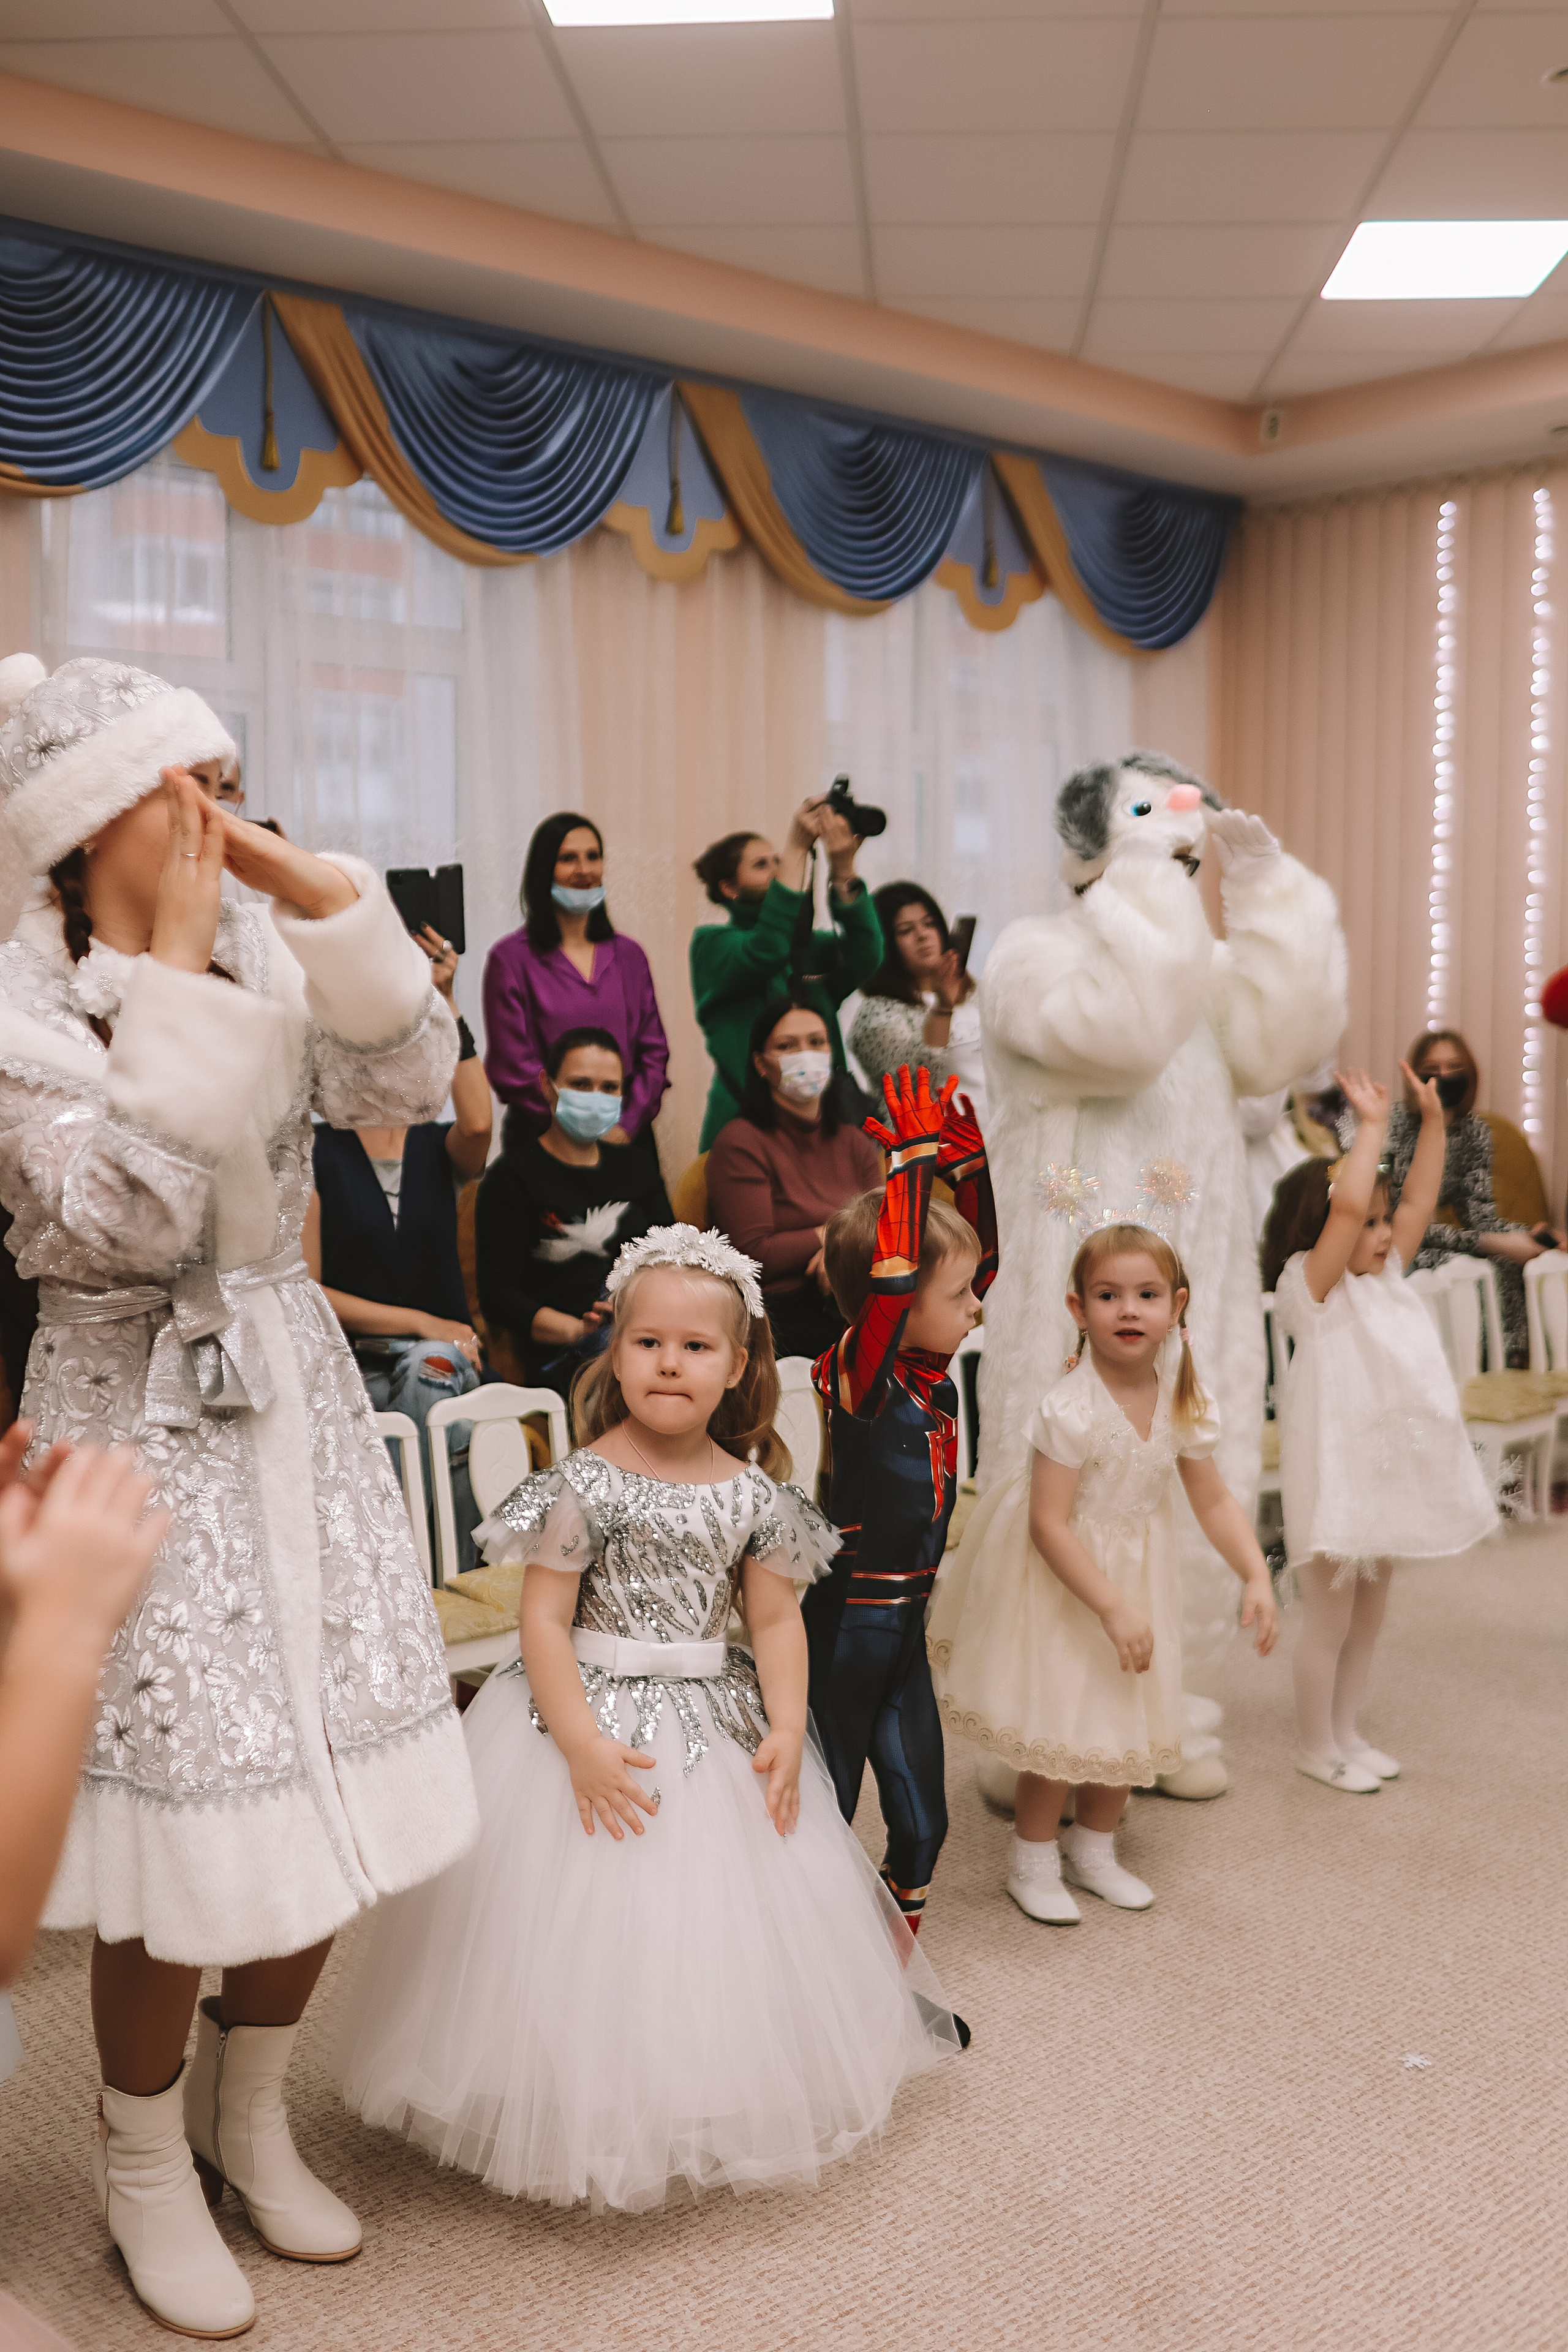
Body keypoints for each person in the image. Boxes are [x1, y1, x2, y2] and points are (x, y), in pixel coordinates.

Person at [0, 651, 477, 2340]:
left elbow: (413, 1085)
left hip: (290, 1401)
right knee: (184, 1832)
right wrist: (184, 976)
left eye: (230, 771)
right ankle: (141, 2173)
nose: (216, 805)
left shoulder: (271, 948)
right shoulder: (20, 1014)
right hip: (127, 1416)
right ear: (80, 825)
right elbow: (121, 1220)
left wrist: (306, 901)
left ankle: (245, 2115)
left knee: (335, 1786)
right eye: (176, 779)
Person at [333, 1223, 961, 2211]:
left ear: (738, 1363)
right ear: (614, 1351)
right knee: (568, 1922)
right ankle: (558, 2086)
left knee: (709, 1922)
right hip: (584, 1723)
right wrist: (580, 1742)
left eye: (696, 1347)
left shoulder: (757, 1493)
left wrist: (790, 1727)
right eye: (647, 1343)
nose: (670, 1363)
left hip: (715, 1721)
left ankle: (699, 2087)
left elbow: (775, 1620)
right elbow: (542, 1620)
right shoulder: (581, 1484)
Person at [930, 1223, 1277, 1922]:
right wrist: (1109, 1606)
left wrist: (1255, 1573)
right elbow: (1048, 1524)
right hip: (1064, 1581)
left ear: (1175, 1306)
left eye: (1146, 1295)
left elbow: (1211, 1497)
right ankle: (1031, 1863)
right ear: (1077, 1309)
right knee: (1060, 1721)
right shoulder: (1070, 1408)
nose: (1128, 1309)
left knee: (1124, 1716)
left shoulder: (1182, 1398)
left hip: (1139, 1577)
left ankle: (1094, 1851)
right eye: (1108, 1295)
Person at [1263, 1067, 1498, 1793]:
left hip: (1385, 1469)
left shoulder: (1386, 1272)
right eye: (1367, 1220)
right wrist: (1369, 1128)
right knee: (1329, 1621)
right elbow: (1347, 1210)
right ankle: (1313, 1745)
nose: (1379, 1230)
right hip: (1335, 1473)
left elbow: (1420, 1196)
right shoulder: (1312, 1284)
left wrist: (1430, 1126)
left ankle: (1345, 1733)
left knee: (1368, 1620)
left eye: (1380, 1221)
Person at [805, 1068, 995, 1941]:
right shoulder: (858, 1379)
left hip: (903, 1633)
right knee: (824, 1818)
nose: (977, 1310)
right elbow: (893, 1286)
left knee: (923, 1829)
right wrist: (910, 1166)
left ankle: (883, 1994)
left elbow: (969, 1264)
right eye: (957, 1300)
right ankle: (803, 1984)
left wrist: (971, 1167)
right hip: (842, 1632)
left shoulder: (930, 1381)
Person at [307, 924, 492, 1569]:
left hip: (447, 1357)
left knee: (430, 1371)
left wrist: (448, 996)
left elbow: (481, 1122)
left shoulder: (437, 1145)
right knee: (393, 1398)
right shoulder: (314, 1151)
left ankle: (437, 1574)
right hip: (355, 1361)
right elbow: (311, 1289)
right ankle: (419, 1578)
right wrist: (419, 1321)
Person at [474, 1027, 673, 1390]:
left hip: (651, 1329)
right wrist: (579, 1329)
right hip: (567, 1351)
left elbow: (675, 1254)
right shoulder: (512, 1177)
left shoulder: (636, 1167)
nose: (596, 1098)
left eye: (609, 1088)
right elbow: (499, 1296)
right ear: (548, 1085)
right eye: (581, 1085)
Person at [691, 799, 881, 1150]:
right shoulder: (712, 946)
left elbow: (867, 956)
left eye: (781, 862)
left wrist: (843, 871)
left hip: (823, 1132)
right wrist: (797, 846)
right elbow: (766, 950)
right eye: (762, 865)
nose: (779, 872)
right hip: (745, 1134)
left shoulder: (806, 952)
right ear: (729, 889)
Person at [704, 994, 881, 1362]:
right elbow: (752, 1253)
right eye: (787, 1046)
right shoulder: (741, 1142)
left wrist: (840, 1259)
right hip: (777, 1312)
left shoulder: (856, 1142)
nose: (807, 1054)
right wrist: (836, 1237)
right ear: (761, 1064)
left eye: (817, 1042)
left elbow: (882, 1226)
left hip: (854, 1292)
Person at [482, 811, 669, 1158]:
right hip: (544, 1141)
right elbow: (512, 1066)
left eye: (593, 857)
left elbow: (654, 1052)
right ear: (543, 870)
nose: (584, 870)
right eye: (568, 858)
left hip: (625, 1137)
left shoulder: (630, 955)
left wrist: (626, 1126)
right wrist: (569, 1131)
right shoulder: (510, 959)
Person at [1384, 1028, 1558, 1367]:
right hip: (1395, 1241)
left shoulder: (1474, 1133)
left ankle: (1511, 1362)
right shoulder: (1396, 1125)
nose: (1444, 1076)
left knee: (1508, 1262)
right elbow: (1399, 1223)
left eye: (1454, 1066)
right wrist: (1492, 1242)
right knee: (1458, 1267)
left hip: (1440, 1239)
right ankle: (1457, 1364)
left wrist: (1529, 1237)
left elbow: (1481, 1216)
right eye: (1432, 1067)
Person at [849, 882, 986, 1128]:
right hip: (935, 1151)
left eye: (930, 924)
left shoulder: (975, 991)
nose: (923, 935)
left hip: (996, 1135)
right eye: (905, 931)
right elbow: (916, 1084)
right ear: (886, 943)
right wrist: (943, 1007)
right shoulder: (877, 1015)